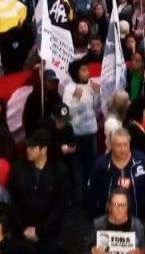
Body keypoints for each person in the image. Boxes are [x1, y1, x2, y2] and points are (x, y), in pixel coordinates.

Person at [7, 129, 69, 252]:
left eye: (32, 147)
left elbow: (60, 205)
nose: (27, 150)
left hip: (49, 237)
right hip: (21, 234)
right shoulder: (17, 169)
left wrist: (40, 231)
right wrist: (22, 229)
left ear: (44, 149)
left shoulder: (59, 171)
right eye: (28, 146)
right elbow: (12, 201)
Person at [87, 128, 145, 223]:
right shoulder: (100, 166)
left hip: (138, 219)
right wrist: (95, 216)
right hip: (108, 220)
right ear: (111, 145)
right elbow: (91, 194)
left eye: (125, 144)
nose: (123, 149)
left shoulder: (142, 161)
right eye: (118, 145)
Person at [64, 58, 102, 192]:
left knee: (91, 165)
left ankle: (91, 191)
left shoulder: (91, 84)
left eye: (87, 69)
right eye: (83, 70)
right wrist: (76, 98)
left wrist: (97, 94)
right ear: (76, 72)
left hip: (91, 131)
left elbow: (96, 107)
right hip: (76, 133)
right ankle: (77, 195)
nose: (87, 73)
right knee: (76, 166)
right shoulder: (69, 88)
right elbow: (67, 113)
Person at [88, 188, 145, 254]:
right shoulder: (97, 224)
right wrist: (92, 251)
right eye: (115, 204)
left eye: (123, 205)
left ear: (127, 206)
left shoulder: (137, 226)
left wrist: (139, 252)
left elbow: (144, 249)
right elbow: (85, 249)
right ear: (109, 206)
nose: (119, 208)